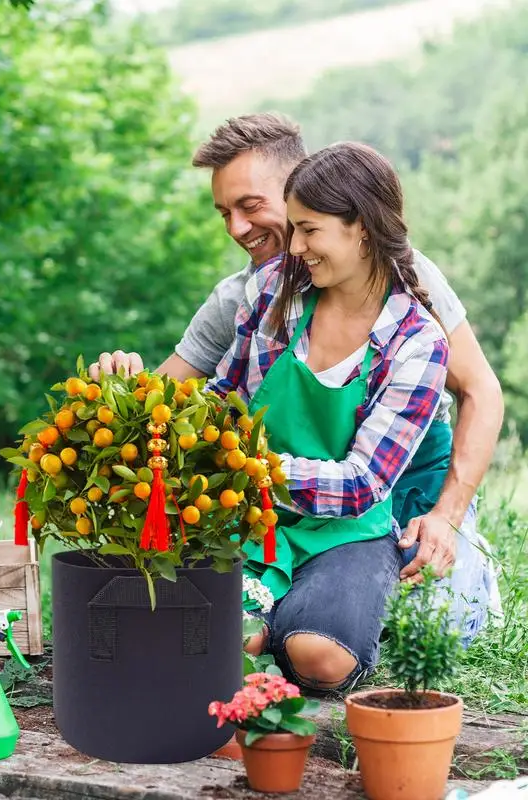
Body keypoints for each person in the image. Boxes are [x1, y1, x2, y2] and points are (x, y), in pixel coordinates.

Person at [90, 114, 502, 646]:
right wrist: (121, 390)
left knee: (422, 632)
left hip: (406, 483)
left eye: (251, 206)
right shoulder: (251, 293)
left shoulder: (405, 281)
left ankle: (466, 565)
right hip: (286, 493)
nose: (237, 228)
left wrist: (446, 516)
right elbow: (174, 398)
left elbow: (482, 392)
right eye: (224, 213)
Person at [215, 141, 451, 689]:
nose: (294, 246)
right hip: (253, 516)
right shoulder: (277, 292)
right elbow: (224, 393)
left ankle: (308, 614)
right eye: (293, 228)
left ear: (362, 228)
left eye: (309, 230)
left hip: (347, 531)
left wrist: (255, 471)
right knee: (228, 642)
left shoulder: (415, 343)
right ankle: (270, 616)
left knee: (320, 655)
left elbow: (365, 484)